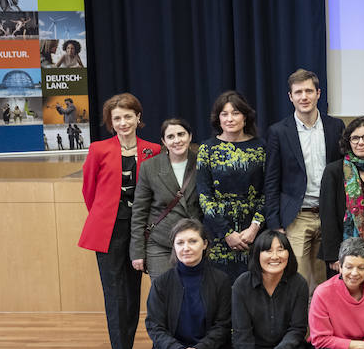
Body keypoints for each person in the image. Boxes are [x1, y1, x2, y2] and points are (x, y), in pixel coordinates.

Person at [78, 92, 162, 349]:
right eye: (117, 118)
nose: (123, 122)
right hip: (109, 230)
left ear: (138, 118)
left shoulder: (154, 150)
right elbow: (89, 191)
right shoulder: (99, 149)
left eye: (128, 116)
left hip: (140, 230)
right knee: (115, 296)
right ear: (110, 123)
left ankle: (127, 348)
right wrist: (105, 215)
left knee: (133, 292)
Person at [263, 69, 345, 294]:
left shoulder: (335, 127)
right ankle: (299, 319)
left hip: (329, 216)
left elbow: (343, 173)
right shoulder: (278, 132)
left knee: (324, 282)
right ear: (290, 97)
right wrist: (275, 223)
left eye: (309, 91)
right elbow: (271, 180)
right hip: (297, 217)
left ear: (318, 93)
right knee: (298, 280)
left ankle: (320, 319)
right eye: (298, 92)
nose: (304, 97)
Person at [145, 220, 232, 349]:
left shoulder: (221, 280)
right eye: (180, 242)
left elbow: (223, 325)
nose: (186, 248)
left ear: (205, 244)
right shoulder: (162, 283)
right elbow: (155, 327)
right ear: (174, 247)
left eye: (193, 241)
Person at [230, 229, 309, 349]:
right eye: (268, 250)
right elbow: (241, 334)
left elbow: (298, 329)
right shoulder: (242, 284)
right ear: (257, 255)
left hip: (286, 347)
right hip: (255, 348)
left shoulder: (298, 283)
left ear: (289, 254)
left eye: (280, 250)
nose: (275, 256)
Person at [197, 91, 267, 283]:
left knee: (253, 287)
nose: (230, 119)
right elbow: (204, 195)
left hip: (253, 233)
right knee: (219, 289)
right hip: (218, 234)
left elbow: (268, 191)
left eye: (235, 113)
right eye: (224, 114)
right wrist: (227, 233)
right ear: (218, 118)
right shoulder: (207, 149)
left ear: (245, 117)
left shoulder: (261, 147)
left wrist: (254, 227)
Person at [319, 117, 364, 287]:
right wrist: (334, 255)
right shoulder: (334, 171)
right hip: (342, 254)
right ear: (348, 142)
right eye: (355, 138)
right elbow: (327, 215)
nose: (361, 142)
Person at [131, 117, 202, 279]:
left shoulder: (202, 163)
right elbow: (139, 212)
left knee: (193, 291)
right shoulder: (150, 167)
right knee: (164, 292)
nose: (177, 140)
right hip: (160, 243)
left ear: (190, 136)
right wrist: (137, 252)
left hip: (194, 242)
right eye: (170, 136)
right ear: (163, 141)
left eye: (181, 134)